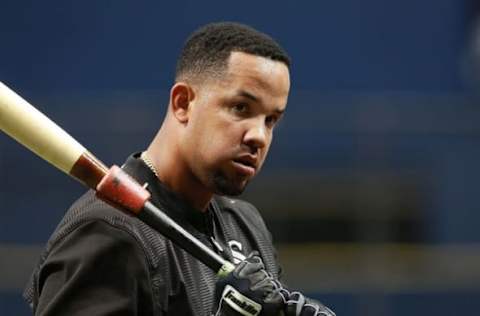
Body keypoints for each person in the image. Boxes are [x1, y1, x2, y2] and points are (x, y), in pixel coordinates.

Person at [24, 22, 335, 316]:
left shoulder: (244, 224)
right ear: (183, 103)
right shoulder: (108, 233)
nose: (259, 136)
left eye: (271, 120)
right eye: (241, 108)